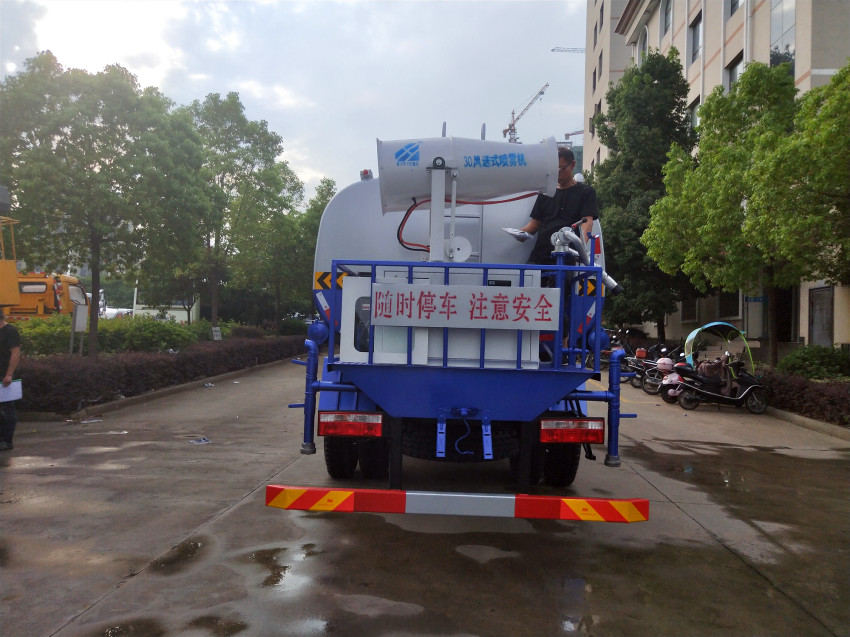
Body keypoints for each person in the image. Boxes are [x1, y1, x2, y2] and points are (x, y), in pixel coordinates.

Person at [515, 146, 599, 264]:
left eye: (561, 169)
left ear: (572, 165)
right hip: (540, 256)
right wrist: (519, 234)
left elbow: (587, 223)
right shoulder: (546, 193)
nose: (557, 174)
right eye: (553, 170)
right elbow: (534, 224)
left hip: (566, 257)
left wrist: (580, 249)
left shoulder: (585, 192)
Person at [0, 307, 21, 451]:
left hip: (4, 376)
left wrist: (9, 374)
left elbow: (15, 353)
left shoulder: (10, 331)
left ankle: (7, 440)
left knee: (6, 410)